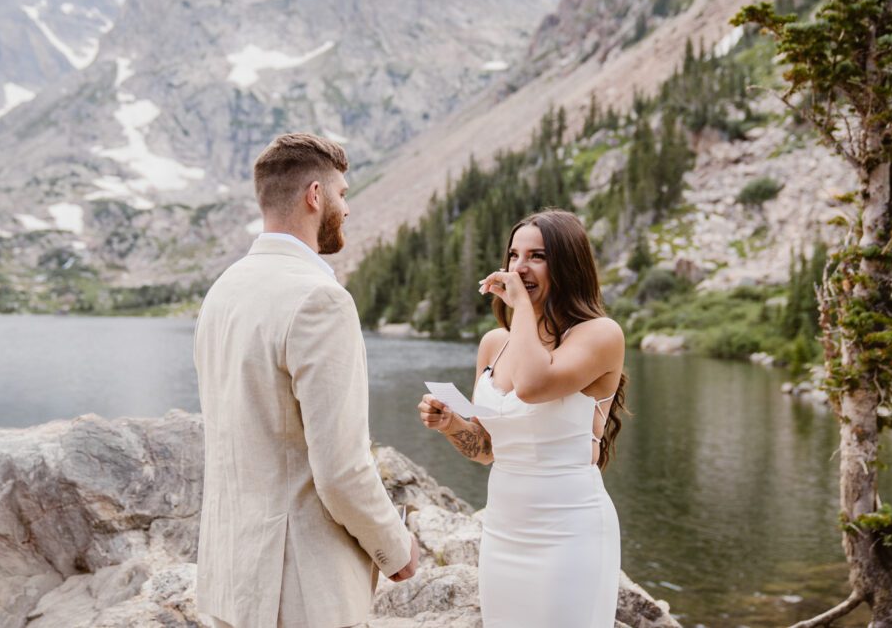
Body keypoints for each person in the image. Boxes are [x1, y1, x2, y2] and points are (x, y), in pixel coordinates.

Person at [194, 132, 418, 628]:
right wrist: (394, 547)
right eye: (342, 194)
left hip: (231, 577)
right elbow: (340, 468)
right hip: (300, 590)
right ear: (315, 196)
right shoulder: (320, 299)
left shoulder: (222, 291)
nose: (347, 208)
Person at [418, 209, 626, 627]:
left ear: (568, 264)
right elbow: (487, 450)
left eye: (537, 256)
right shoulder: (494, 343)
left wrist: (522, 308)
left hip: (570, 534)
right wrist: (452, 425)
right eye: (513, 255)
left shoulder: (600, 334)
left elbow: (533, 384)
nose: (519, 267)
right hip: (503, 532)